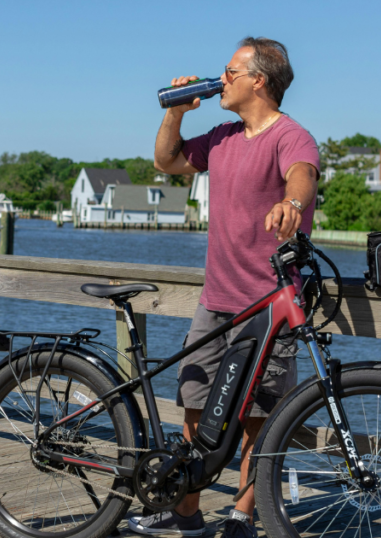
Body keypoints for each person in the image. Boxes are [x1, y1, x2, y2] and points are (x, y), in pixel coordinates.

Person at [129, 37, 320, 538]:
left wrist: (292, 207)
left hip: (268, 306)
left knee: (260, 420)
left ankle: (242, 516)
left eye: (231, 70)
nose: (223, 77)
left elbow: (302, 176)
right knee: (195, 406)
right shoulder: (221, 136)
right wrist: (175, 112)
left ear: (259, 80)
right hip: (215, 301)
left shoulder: (290, 136)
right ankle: (187, 512)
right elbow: (166, 163)